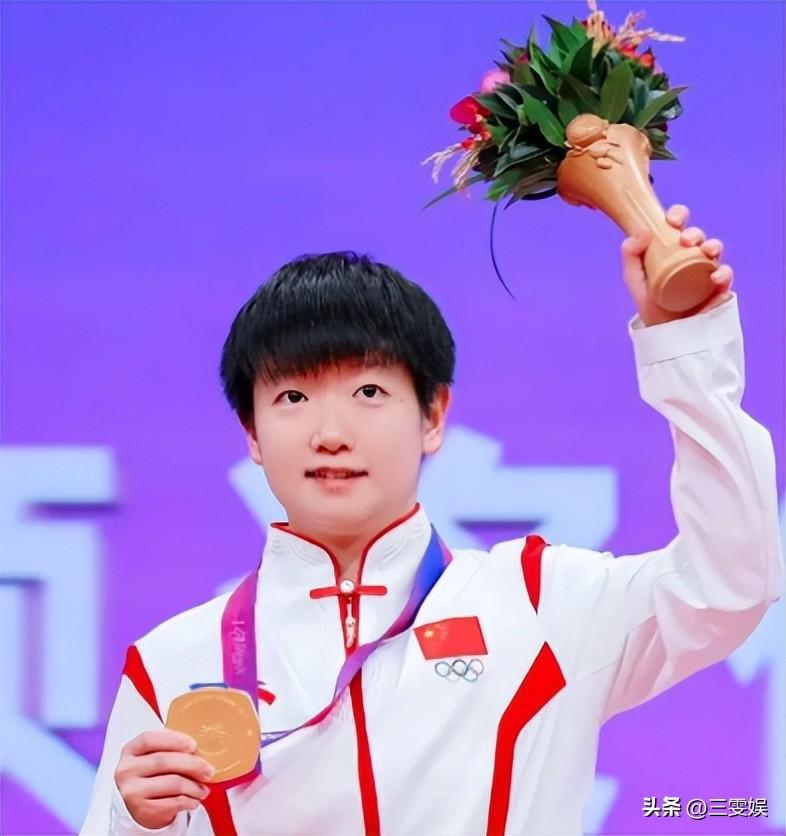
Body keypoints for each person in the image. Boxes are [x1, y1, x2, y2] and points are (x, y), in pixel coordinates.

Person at [80, 204, 783, 835]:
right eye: (292, 398)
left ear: (433, 415)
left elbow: (732, 580)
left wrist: (685, 350)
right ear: (252, 434)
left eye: (368, 391)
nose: (330, 433)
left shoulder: (542, 605)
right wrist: (131, 822)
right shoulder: (173, 662)